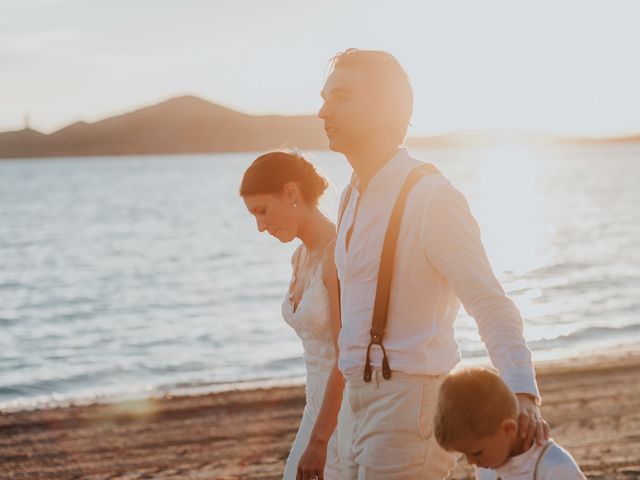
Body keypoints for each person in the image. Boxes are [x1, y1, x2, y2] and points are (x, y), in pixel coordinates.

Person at [317, 48, 549, 479]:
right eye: (325, 97)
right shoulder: (351, 195)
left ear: (388, 110)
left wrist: (522, 390)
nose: (323, 110)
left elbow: (489, 301)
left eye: (342, 97)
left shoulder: (430, 197)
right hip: (355, 402)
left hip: (410, 404)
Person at [240, 151, 343, 480]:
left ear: (291, 193)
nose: (260, 227)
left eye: (262, 211)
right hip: (313, 409)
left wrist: (320, 440)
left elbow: (348, 354)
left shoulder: (338, 254)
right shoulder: (300, 257)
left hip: (343, 413)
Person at [434, 367, 586, 479]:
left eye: (476, 453)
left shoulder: (555, 468)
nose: (471, 462)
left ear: (508, 430)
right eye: (465, 454)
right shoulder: (489, 465)